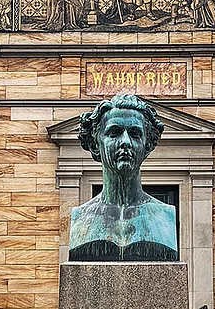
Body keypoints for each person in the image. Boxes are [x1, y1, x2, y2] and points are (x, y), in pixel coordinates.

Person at [68, 93, 178, 262]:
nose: (125, 141)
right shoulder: (82, 218)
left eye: (135, 134)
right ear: (95, 144)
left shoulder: (164, 216)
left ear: (147, 146)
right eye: (114, 133)